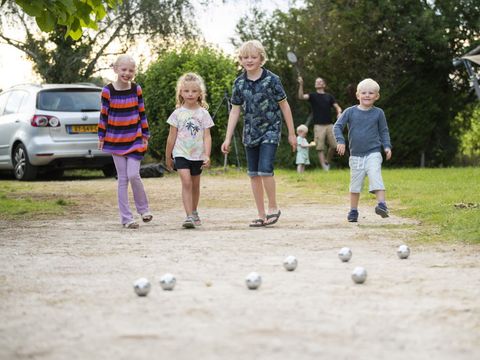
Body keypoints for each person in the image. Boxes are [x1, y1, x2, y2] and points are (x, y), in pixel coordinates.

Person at [221, 40, 297, 227]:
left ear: (261, 58)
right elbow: (235, 110)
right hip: (250, 132)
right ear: (240, 59)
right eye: (245, 57)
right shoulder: (239, 83)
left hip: (271, 129)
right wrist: (227, 137)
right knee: (254, 174)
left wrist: (292, 133)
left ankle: (273, 208)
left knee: (265, 169)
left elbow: (284, 106)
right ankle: (261, 215)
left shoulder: (272, 80)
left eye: (253, 57)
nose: (249, 60)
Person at [98, 54, 153, 229]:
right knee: (122, 178)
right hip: (115, 140)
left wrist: (145, 135)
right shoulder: (107, 91)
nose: (127, 73)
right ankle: (126, 218)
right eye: (124, 69)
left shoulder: (136, 89)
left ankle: (144, 210)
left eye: (131, 70)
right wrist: (101, 136)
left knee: (133, 175)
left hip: (135, 138)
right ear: (115, 69)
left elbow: (142, 113)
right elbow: (104, 115)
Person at [333, 78, 392, 222]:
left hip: (373, 152)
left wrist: (387, 146)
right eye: (363, 93)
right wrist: (341, 141)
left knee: (375, 174)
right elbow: (337, 126)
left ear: (376, 96)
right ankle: (353, 211)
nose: (367, 95)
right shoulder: (350, 112)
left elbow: (384, 131)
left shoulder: (379, 113)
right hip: (356, 155)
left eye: (371, 93)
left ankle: (382, 205)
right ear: (357, 95)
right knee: (355, 185)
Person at [165, 73, 213, 229]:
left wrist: (207, 154)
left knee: (195, 185)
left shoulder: (203, 114)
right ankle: (189, 216)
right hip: (181, 153)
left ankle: (194, 210)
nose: (190, 94)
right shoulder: (177, 114)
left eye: (194, 91)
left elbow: (207, 136)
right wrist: (168, 157)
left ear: (200, 93)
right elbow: (171, 137)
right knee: (186, 182)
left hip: (198, 155)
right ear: (181, 93)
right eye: (186, 91)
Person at [298, 76, 342, 171]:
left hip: (329, 125)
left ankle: (327, 161)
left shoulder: (329, 96)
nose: (318, 82)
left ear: (324, 85)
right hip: (318, 126)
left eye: (320, 81)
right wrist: (301, 84)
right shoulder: (312, 96)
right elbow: (301, 97)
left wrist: (339, 112)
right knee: (319, 147)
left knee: (334, 146)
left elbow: (337, 107)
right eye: (316, 81)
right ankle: (324, 168)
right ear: (315, 85)